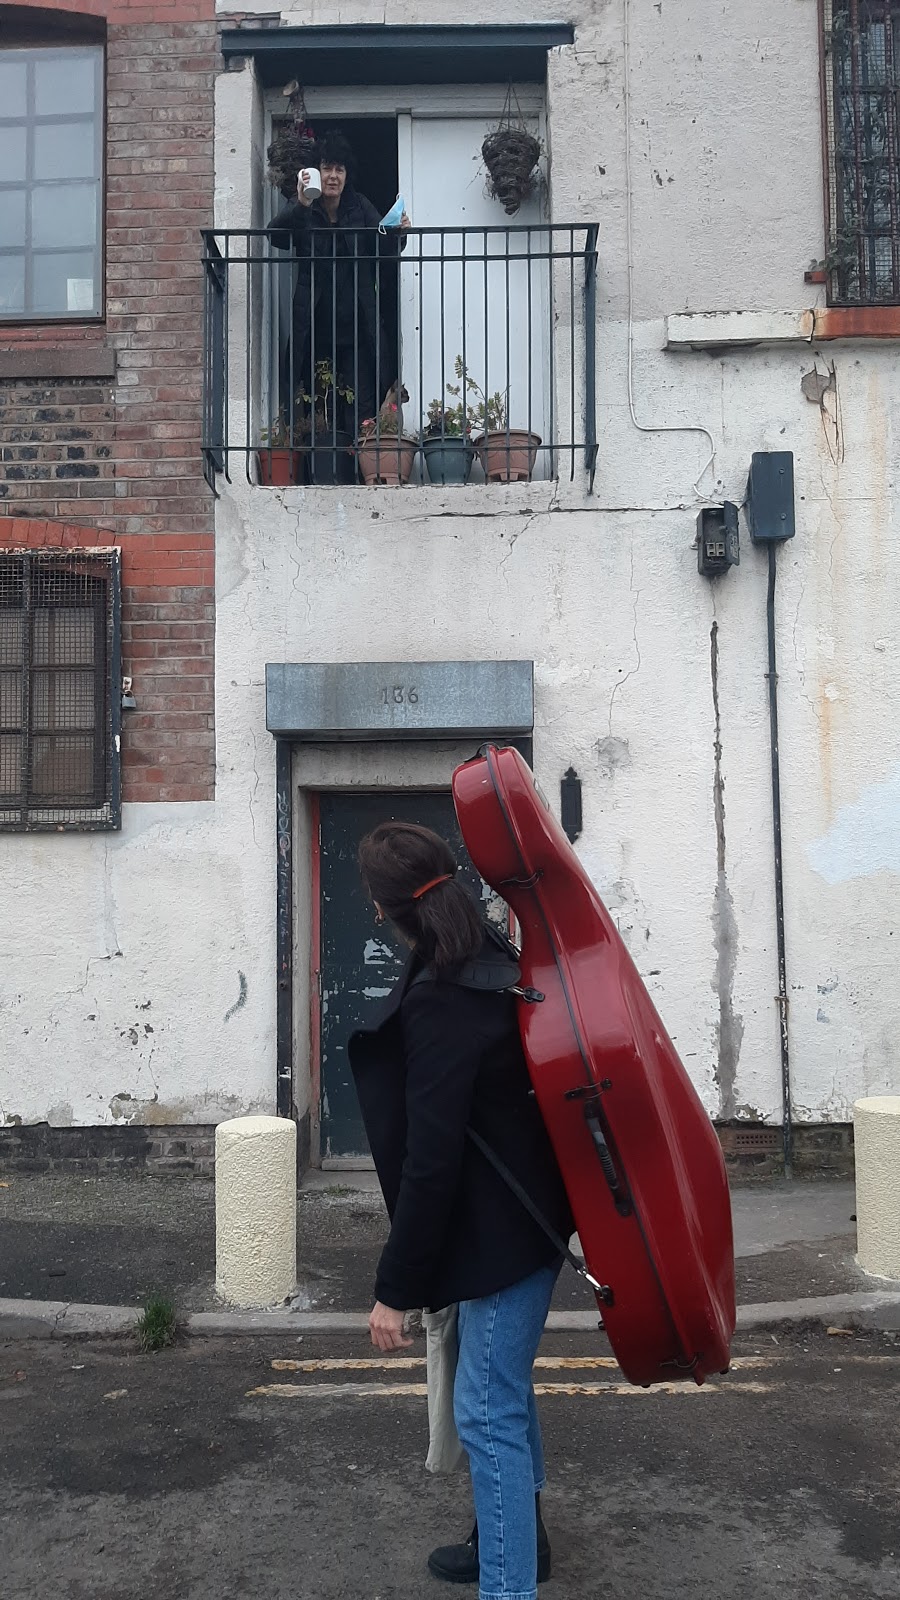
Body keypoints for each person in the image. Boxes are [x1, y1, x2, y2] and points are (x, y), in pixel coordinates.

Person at [348, 822, 574, 1600]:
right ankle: (519, 1544)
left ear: (385, 909)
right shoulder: (488, 959)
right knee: (501, 1389)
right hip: (522, 1223)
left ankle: (509, 1584)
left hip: (503, 1239)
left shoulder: (444, 999)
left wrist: (395, 1290)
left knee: (485, 1409)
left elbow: (432, 1163)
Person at [267, 132, 410, 435]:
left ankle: (360, 460)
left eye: (339, 169)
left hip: (357, 329)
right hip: (315, 328)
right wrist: (301, 204)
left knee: (360, 405)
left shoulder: (359, 206)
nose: (333, 176)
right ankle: (321, 461)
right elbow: (275, 236)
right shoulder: (304, 206)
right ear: (316, 172)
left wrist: (399, 232)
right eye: (327, 168)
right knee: (320, 405)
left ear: (347, 175)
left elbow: (385, 248)